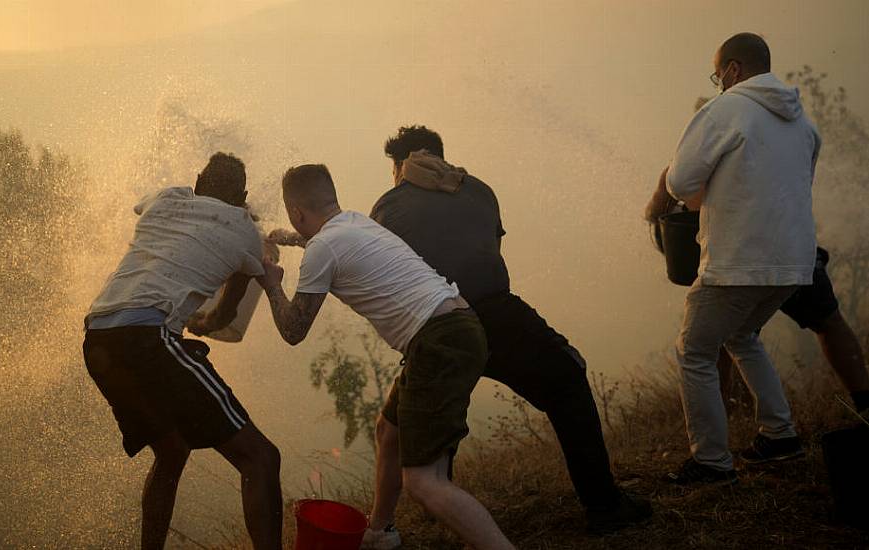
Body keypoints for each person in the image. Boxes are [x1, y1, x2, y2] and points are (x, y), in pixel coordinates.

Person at [362, 125, 651, 543]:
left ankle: (440, 511)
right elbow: (488, 254)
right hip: (498, 313)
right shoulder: (479, 189)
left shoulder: (389, 206)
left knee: (419, 417)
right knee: (567, 381)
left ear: (400, 165)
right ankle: (605, 506)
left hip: (436, 327)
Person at [259, 164, 516, 550]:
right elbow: (323, 239)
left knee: (424, 483)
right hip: (455, 327)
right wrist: (290, 237)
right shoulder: (353, 223)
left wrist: (271, 286)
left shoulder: (322, 250)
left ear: (297, 211)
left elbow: (293, 331)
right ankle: (379, 534)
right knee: (389, 430)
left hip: (438, 342)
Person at [82, 153, 283, 550]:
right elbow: (225, 313)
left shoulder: (166, 198)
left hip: (98, 334)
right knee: (261, 459)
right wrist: (203, 324)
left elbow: (148, 205)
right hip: (147, 336)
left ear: (196, 181)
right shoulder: (245, 231)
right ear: (242, 198)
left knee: (172, 450)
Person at [661, 32, 821, 485]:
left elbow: (681, 181)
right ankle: (780, 435)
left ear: (732, 69)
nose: (718, 83)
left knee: (694, 349)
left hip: (738, 260)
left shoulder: (725, 109)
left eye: (718, 74)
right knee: (742, 334)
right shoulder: (802, 121)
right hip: (793, 261)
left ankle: (711, 461)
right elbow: (796, 182)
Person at [646, 172, 869, 421]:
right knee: (827, 320)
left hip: (739, 260)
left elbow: (657, 210)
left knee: (714, 339)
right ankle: (864, 402)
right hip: (790, 248)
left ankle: (723, 423)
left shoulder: (695, 157)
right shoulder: (784, 140)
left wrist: (673, 230)